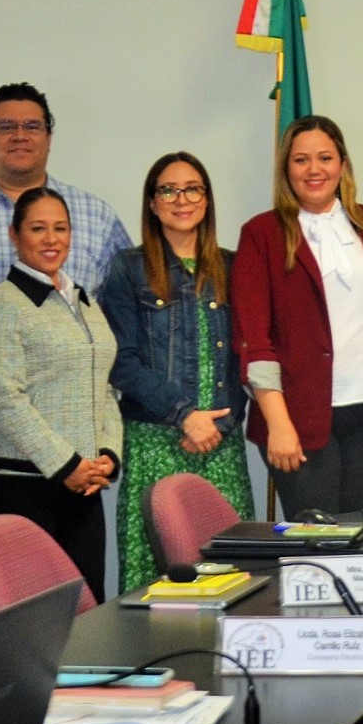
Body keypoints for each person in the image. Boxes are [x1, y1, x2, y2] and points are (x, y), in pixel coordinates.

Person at [234, 117, 363, 520]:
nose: (314, 170)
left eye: (325, 158)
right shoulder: (261, 234)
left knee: (358, 535)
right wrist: (278, 423)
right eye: (301, 160)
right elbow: (253, 337)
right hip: (295, 419)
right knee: (317, 541)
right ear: (286, 169)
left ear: (343, 164)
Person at [100, 152, 252, 589]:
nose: (181, 199)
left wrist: (219, 425)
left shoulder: (232, 266)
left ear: (207, 199)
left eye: (192, 189)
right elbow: (121, 361)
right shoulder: (129, 268)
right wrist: (185, 415)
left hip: (220, 442)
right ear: (152, 202)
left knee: (228, 571)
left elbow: (246, 354)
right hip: (156, 440)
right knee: (156, 576)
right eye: (168, 190)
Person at [0, 187, 123, 601]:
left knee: (89, 605)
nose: (51, 239)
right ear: (14, 235)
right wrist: (65, 465)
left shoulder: (84, 302)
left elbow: (105, 387)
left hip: (85, 482)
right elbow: (4, 399)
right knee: (36, 612)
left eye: (61, 228)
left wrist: (107, 455)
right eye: (38, 229)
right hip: (26, 484)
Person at [0, 82, 133, 292]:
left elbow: (128, 297)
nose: (20, 136)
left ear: (49, 138)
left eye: (32, 127)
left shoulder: (97, 216)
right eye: (7, 127)